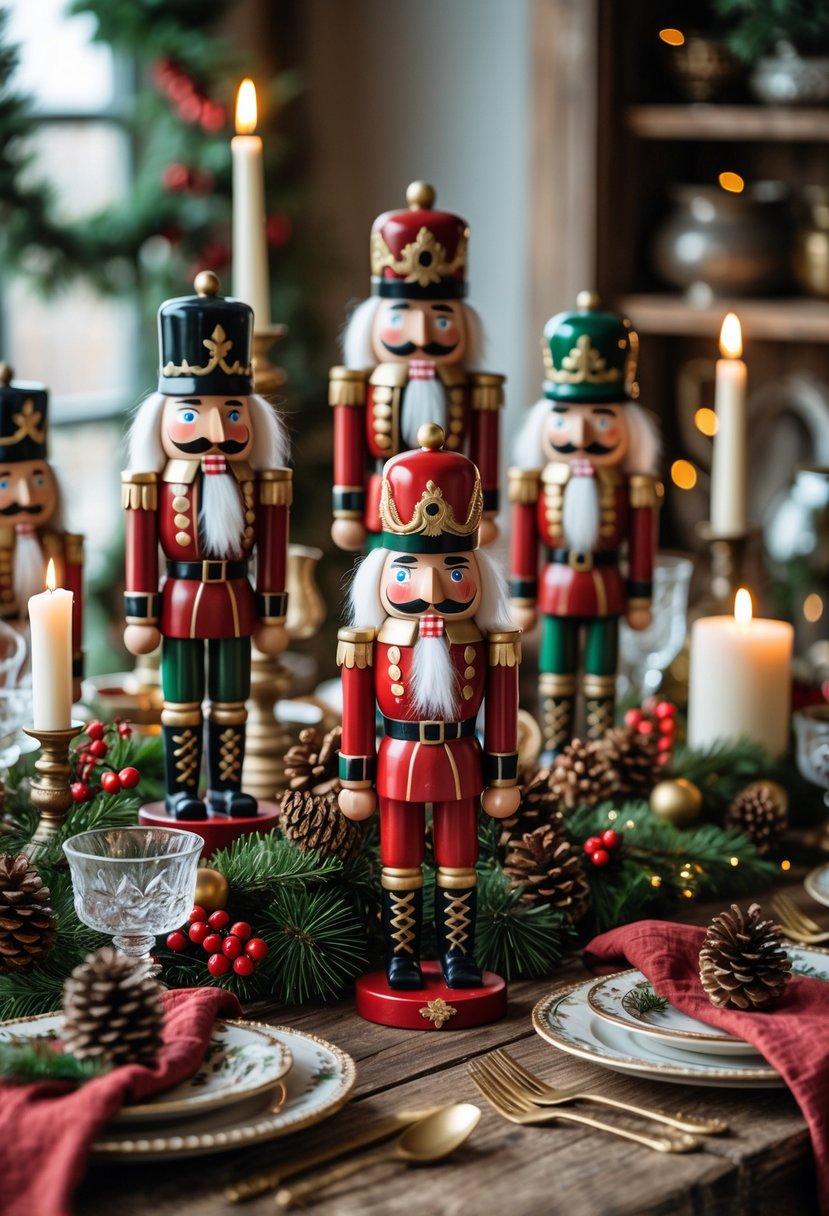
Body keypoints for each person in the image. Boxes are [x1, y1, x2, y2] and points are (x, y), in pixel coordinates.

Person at [337, 423, 520, 990]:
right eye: (407, 571)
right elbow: (354, 717)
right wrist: (354, 778)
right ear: (383, 573)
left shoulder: (490, 640)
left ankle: (459, 955)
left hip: (463, 759)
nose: (432, 586)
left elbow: (505, 711)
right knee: (398, 865)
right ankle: (402, 957)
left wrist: (503, 774)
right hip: (396, 758)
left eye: (455, 571)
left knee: (460, 864)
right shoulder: (370, 640)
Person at [121, 271, 290, 819]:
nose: (216, 428)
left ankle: (226, 788)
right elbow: (141, 553)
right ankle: (182, 791)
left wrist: (272, 610)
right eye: (192, 413)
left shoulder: (259, 480)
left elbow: (275, 547)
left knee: (233, 702)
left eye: (232, 412)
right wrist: (140, 613)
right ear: (164, 416)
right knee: (181, 703)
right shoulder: (153, 482)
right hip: (178, 600)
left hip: (238, 599)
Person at [509, 292, 661, 757]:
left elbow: (640, 545)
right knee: (554, 670)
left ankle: (597, 749)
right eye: (564, 418)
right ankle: (555, 747)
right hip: (556, 583)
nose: (580, 436)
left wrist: (639, 596)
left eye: (601, 419)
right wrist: (523, 594)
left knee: (601, 673)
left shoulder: (630, 486)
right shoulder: (535, 482)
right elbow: (523, 541)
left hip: (607, 584)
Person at [330, 181, 504, 551]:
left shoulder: (471, 383)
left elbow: (485, 444)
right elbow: (349, 443)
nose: (422, 334)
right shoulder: (362, 382)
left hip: (455, 507)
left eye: (441, 320)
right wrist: (346, 511)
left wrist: (486, 511)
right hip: (384, 508)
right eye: (400, 318)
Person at [0, 363, 83, 694]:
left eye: (37, 479)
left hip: (49, 661)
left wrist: (75, 670)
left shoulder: (61, 544)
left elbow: (75, 617)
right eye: (5, 482)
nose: (26, 497)